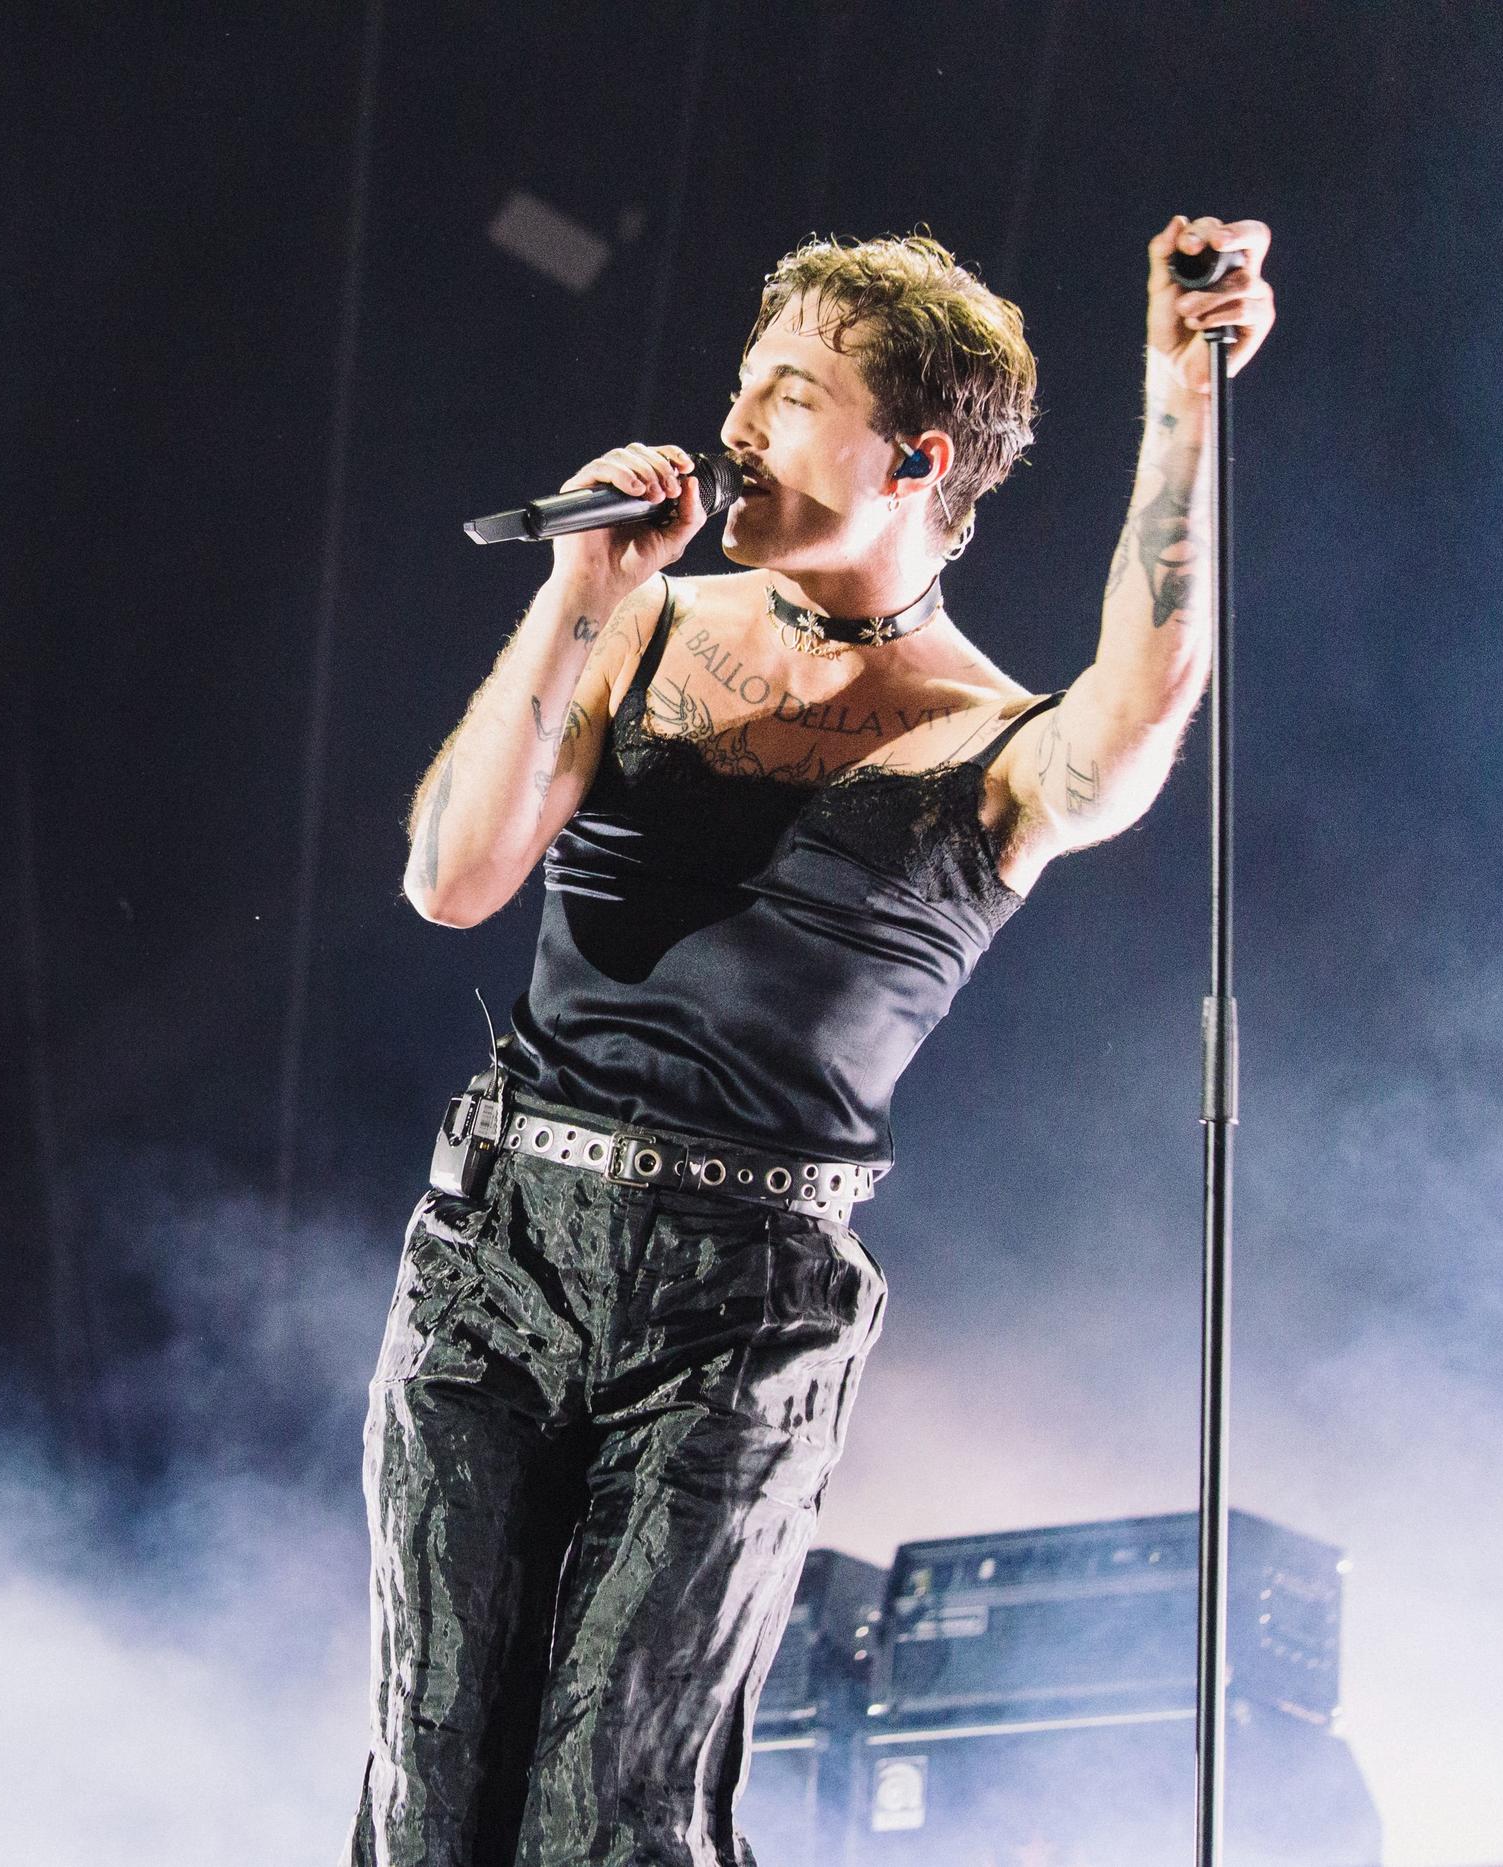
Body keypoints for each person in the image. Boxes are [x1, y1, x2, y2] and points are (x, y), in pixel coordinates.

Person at [352, 218, 1275, 1866]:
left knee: (611, 1815)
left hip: (743, 1303)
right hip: (495, 1253)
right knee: (430, 1794)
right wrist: (584, 590)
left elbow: (1140, 705)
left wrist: (1179, 393)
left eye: (790, 394)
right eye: (743, 385)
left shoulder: (995, 746)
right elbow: (450, 875)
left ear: (916, 457)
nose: (740, 423)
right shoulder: (641, 626)